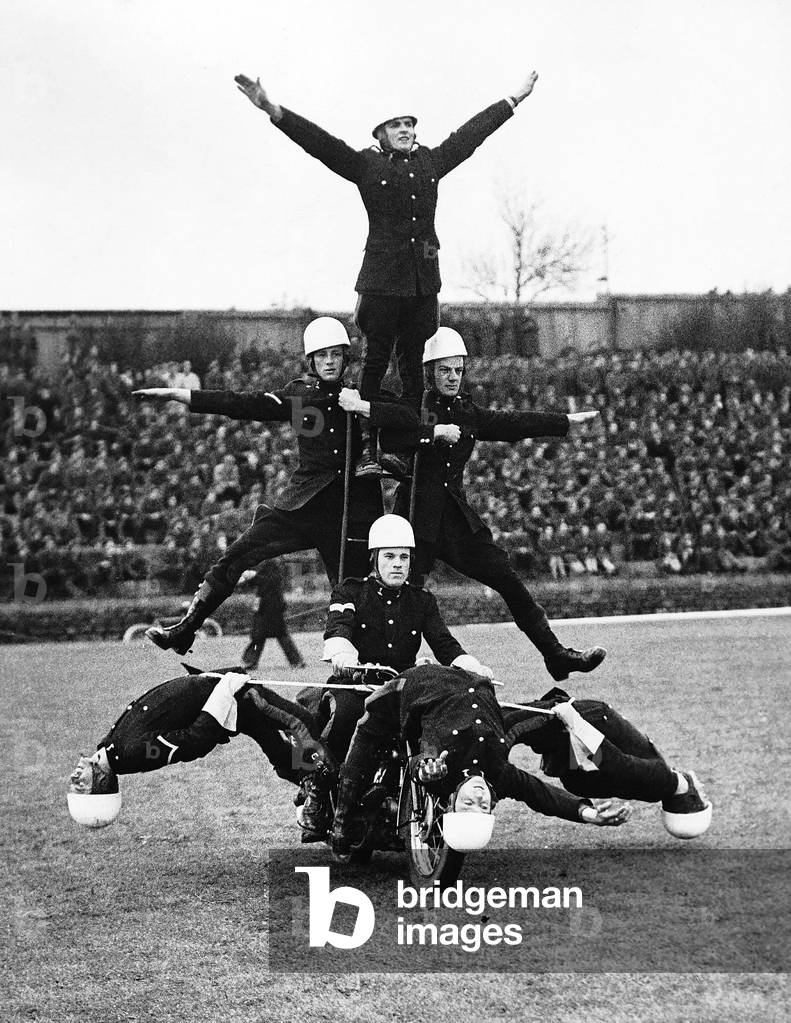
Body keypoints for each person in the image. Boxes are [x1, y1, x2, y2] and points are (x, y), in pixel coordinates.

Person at [234, 69, 539, 473]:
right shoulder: (366, 165)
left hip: (423, 284)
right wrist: (273, 110)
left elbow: (470, 136)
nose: (406, 130)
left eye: (410, 123)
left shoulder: (431, 161)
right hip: (380, 284)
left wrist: (512, 100)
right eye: (396, 124)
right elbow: (322, 145)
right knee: (375, 365)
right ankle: (366, 450)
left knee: (413, 370)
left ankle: (405, 447)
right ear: (380, 132)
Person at [132, 317, 416, 655]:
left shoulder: (361, 396)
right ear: (311, 361)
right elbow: (245, 403)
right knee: (235, 556)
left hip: (352, 513)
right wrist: (183, 396)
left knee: (353, 594)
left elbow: (410, 418)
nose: (329, 362)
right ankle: (186, 630)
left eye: (335, 355)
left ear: (345, 358)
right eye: (321, 355)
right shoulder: (300, 397)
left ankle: (371, 665)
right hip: (302, 506)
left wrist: (364, 407)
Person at [383, 327, 607, 681]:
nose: (453, 377)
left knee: (507, 579)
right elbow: (389, 435)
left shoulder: (467, 412)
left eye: (458, 370)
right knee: (404, 598)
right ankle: (389, 672)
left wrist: (564, 423)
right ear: (429, 372)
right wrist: (432, 433)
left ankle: (555, 655)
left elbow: (511, 423)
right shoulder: (415, 407)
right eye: (444, 370)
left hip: (456, 521)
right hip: (413, 520)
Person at [331, 664, 712, 857]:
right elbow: (541, 796)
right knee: (592, 779)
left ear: (450, 801)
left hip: (406, 692)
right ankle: (679, 786)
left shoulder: (440, 770)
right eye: (484, 806)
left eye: (468, 804)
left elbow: (425, 754)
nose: (478, 797)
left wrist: (425, 768)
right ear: (493, 804)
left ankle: (341, 821)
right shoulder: (498, 775)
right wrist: (590, 815)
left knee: (356, 763)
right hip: (567, 714)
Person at [297, 513, 492, 841]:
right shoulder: (350, 591)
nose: (398, 564)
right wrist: (343, 653)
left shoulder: (422, 600)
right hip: (356, 683)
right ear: (374, 559)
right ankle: (316, 791)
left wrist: (472, 665)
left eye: (404, 556)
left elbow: (444, 643)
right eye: (389, 556)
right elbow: (338, 627)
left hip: (398, 689)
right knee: (343, 716)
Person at [67, 666, 333, 829]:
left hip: (228, 697)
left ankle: (314, 787)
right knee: (301, 722)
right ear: (101, 780)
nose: (73, 777)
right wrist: (224, 690)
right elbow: (193, 741)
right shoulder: (131, 755)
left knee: (283, 755)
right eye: (80, 785)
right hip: (236, 699)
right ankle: (320, 795)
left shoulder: (108, 749)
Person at [240, 559, 306, 671]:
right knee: (264, 635)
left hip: (272, 606)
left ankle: (251, 661)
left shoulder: (272, 562)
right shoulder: (267, 561)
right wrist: (250, 578)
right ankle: (296, 661)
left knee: (270, 635)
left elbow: (270, 581)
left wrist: (253, 576)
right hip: (267, 605)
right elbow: (261, 582)